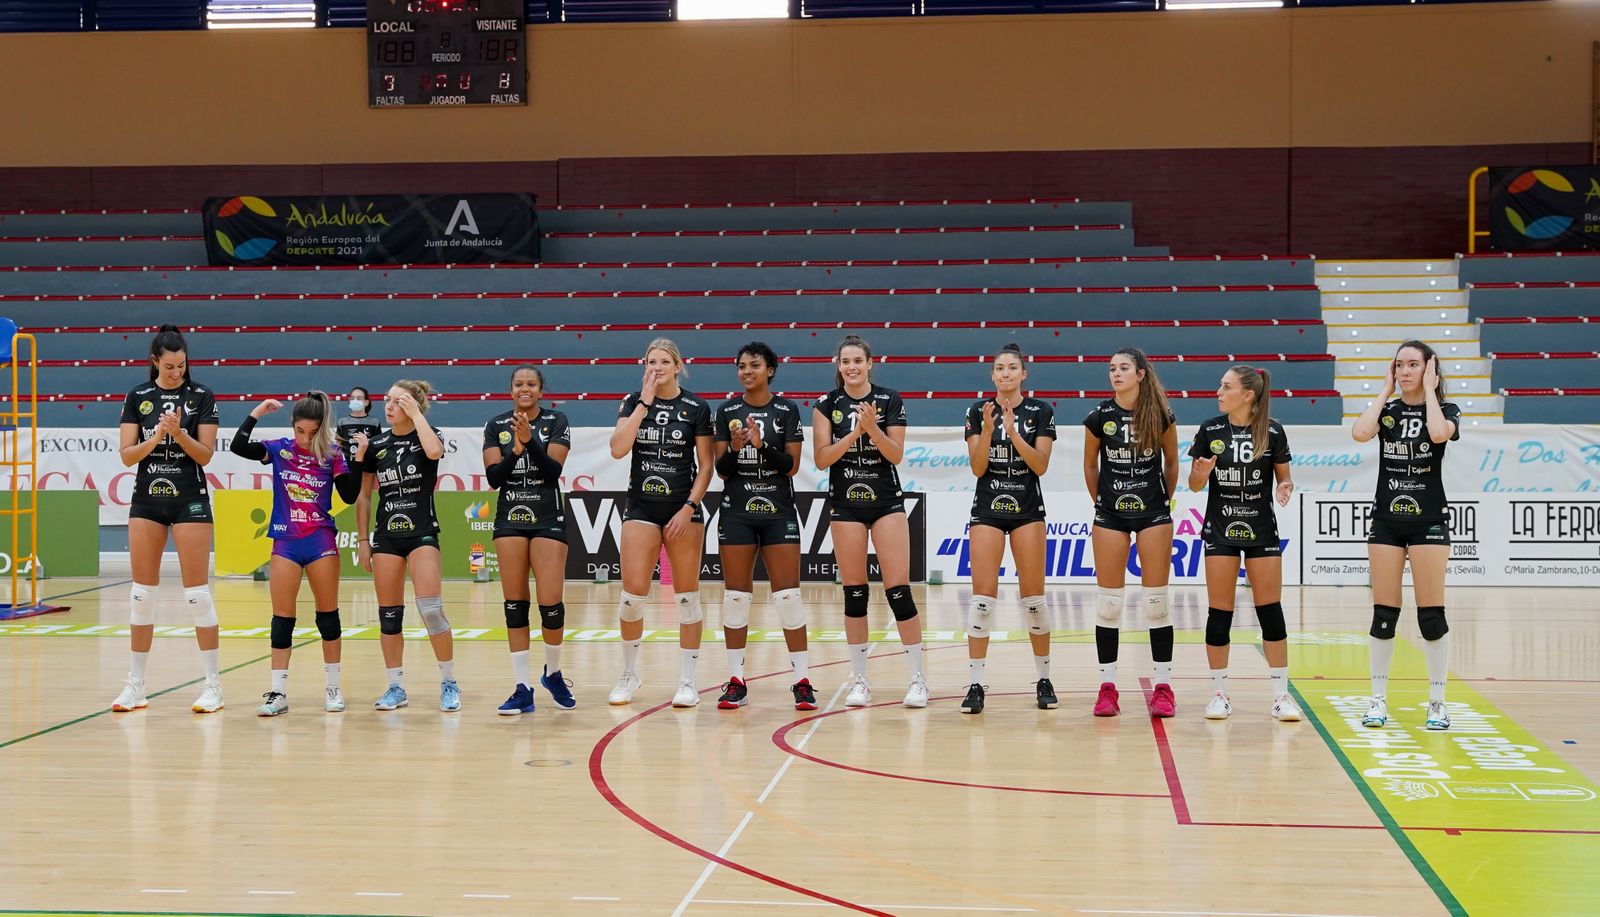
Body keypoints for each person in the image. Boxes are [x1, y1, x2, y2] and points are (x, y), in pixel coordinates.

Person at [111, 325, 223, 714]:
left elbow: (206, 455)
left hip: (189, 497)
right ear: (155, 361)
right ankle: (135, 686)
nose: (177, 372)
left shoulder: (201, 396)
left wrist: (179, 434)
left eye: (182, 365)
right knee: (141, 595)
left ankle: (213, 686)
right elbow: (127, 455)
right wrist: (157, 438)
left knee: (197, 594)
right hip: (147, 499)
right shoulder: (138, 397)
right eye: (170, 366)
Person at [813, 334, 928, 709]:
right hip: (846, 504)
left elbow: (895, 455)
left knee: (898, 590)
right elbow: (822, 459)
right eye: (845, 361)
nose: (851, 367)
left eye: (857, 361)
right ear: (838, 365)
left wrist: (873, 428)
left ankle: (917, 678)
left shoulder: (889, 399)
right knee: (855, 592)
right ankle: (860, 679)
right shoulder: (826, 405)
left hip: (886, 502)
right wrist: (855, 433)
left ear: (869, 363)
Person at [1351, 341, 1461, 731]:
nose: (1405, 371)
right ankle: (1377, 699)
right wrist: (1384, 390)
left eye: (1413, 364)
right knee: (1384, 614)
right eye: (1400, 365)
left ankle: (1437, 701)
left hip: (1428, 519)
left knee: (1431, 615)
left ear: (1430, 368)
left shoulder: (1446, 409)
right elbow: (1360, 433)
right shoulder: (1389, 411)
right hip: (1386, 521)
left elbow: (1436, 435)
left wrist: (1429, 391)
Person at [231, 392, 362, 716]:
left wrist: (357, 458)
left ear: (322, 428)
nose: (305, 438)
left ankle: (333, 688)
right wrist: (257, 412)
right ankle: (278, 693)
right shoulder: (279, 449)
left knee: (327, 617)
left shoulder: (332, 454)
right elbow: (238, 446)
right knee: (282, 619)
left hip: (320, 541)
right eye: (300, 431)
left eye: (312, 432)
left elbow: (349, 493)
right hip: (286, 542)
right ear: (293, 426)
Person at [1187, 366, 1301, 722]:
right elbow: (1193, 485)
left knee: (1271, 612)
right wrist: (1201, 474)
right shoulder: (1210, 430)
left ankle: (1281, 695)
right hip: (1220, 530)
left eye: (1226, 386)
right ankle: (1219, 693)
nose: (1218, 391)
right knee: (1220, 614)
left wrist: (1285, 487)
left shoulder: (1273, 431)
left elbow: (1285, 479)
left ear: (1247, 395)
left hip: (1261, 530)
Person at [606, 339, 715, 708]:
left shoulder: (696, 407)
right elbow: (618, 448)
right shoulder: (632, 400)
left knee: (686, 598)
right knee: (631, 598)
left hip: (682, 509)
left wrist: (688, 507)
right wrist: (644, 402)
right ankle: (629, 674)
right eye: (651, 361)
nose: (657, 367)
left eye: (664, 361)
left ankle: (688, 680)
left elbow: (706, 466)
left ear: (678, 365)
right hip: (641, 508)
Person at [711, 342, 814, 711]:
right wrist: (738, 449)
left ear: (770, 370)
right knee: (736, 598)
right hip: (737, 512)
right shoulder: (726, 412)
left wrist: (761, 444)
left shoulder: (787, 410)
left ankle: (802, 680)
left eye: (754, 365)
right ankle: (736, 680)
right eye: (741, 366)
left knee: (788, 598)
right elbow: (721, 471)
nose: (746, 371)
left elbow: (791, 466)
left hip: (778, 512)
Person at [960, 343, 1057, 714]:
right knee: (982, 602)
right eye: (999, 368)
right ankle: (976, 683)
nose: (1005, 374)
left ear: (1023, 374)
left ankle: (1044, 678)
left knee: (1034, 602)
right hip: (987, 509)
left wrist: (1014, 433)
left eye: (1012, 368)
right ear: (993, 375)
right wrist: (987, 430)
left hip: (1027, 510)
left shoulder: (1040, 411)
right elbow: (977, 467)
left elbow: (1041, 465)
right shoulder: (976, 410)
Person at [1082, 347, 1179, 718]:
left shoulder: (1162, 415)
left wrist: (1162, 502)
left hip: (1153, 513)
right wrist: (1103, 504)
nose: (1116, 373)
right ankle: (1107, 688)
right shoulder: (1098, 417)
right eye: (1111, 368)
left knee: (1157, 603)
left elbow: (1172, 464)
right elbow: (1090, 466)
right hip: (1110, 515)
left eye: (1124, 368)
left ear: (1141, 374)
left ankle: (1163, 687)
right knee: (1109, 604)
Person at [353, 380, 459, 712]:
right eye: (388, 399)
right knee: (389, 616)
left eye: (398, 401)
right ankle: (396, 687)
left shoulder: (430, 434)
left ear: (414, 405)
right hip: (386, 536)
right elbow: (364, 496)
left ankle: (449, 682)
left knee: (431, 610)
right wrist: (362, 540)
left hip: (422, 532)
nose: (389, 405)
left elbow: (434, 453)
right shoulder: (377, 445)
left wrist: (418, 416)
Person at [483, 366, 577, 715]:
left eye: (531, 384)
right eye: (519, 384)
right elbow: (494, 478)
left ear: (540, 390)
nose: (525, 389)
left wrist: (530, 440)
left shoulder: (557, 420)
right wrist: (516, 450)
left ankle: (552, 673)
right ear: (511, 390)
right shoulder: (496, 425)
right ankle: (522, 688)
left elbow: (553, 471)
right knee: (515, 604)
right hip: (510, 518)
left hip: (547, 517)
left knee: (551, 605)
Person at [335, 386, 380, 469]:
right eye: (352, 398)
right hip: (348, 467)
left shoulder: (374, 422)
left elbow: (378, 446)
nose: (355, 400)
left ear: (366, 402)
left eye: (359, 398)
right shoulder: (342, 422)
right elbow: (338, 446)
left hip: (368, 467)